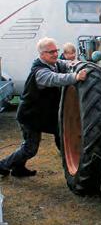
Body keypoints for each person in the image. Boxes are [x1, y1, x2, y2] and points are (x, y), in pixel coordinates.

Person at [0, 37, 87, 177]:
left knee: (38, 142)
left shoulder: (55, 63)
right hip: (29, 115)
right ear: (42, 54)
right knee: (30, 148)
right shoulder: (40, 72)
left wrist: (80, 65)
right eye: (51, 52)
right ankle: (3, 165)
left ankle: (18, 169)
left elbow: (66, 63)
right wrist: (75, 77)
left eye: (56, 50)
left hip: (41, 115)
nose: (55, 54)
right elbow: (55, 78)